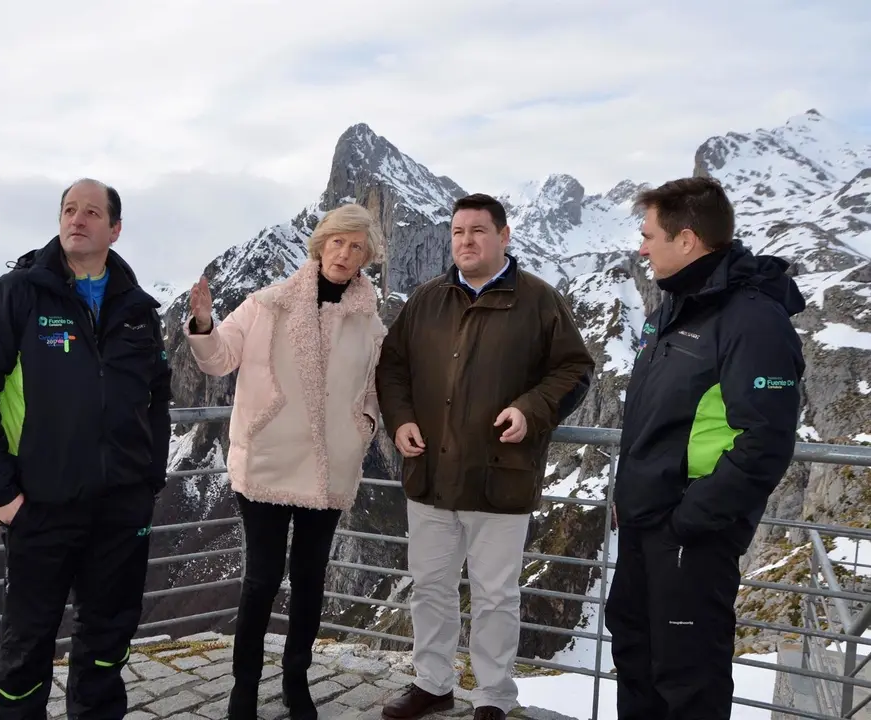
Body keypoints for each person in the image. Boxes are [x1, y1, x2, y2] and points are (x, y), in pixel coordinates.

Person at [0, 178, 172, 720]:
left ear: (115, 229)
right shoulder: (15, 295)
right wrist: (3, 494)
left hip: (121, 507)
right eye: (70, 209)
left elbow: (158, 398)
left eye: (92, 212)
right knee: (27, 645)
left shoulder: (138, 308)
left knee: (109, 637)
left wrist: (149, 478)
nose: (78, 219)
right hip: (39, 504)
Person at [375, 193, 595, 720]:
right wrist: (401, 418)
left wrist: (530, 409)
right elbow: (392, 367)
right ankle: (433, 683)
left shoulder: (539, 301)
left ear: (504, 236)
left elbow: (574, 370)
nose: (466, 241)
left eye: (478, 230)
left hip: (501, 478)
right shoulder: (427, 299)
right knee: (430, 588)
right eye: (458, 232)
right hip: (430, 475)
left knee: (496, 597)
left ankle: (494, 696)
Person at [606, 176, 805, 719]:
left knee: (688, 673)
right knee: (636, 650)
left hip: (690, 534)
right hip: (648, 524)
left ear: (687, 240)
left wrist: (689, 519)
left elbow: (764, 441)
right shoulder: (673, 309)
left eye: (649, 235)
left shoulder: (752, 320)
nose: (641, 247)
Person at [184, 203, 387, 720]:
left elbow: (380, 383)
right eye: (337, 242)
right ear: (320, 246)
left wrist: (367, 421)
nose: (344, 253)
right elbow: (219, 358)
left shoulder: (369, 319)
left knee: (311, 578)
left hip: (329, 467)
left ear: (366, 256)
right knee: (261, 579)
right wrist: (204, 322)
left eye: (356, 246)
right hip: (268, 463)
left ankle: (296, 683)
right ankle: (243, 689)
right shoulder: (268, 304)